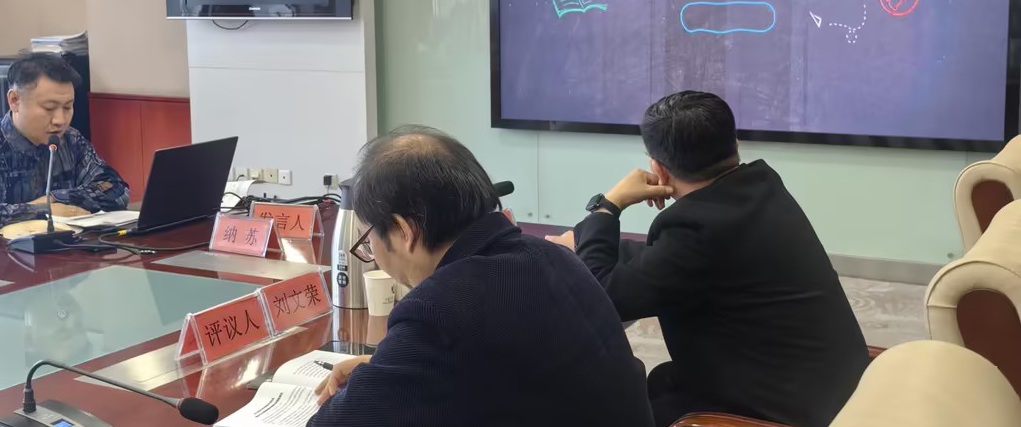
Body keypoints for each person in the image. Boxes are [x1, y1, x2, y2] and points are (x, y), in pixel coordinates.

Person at [547, 91, 868, 427]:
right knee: (659, 384)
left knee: (616, 402)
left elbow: (605, 298)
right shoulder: (760, 185)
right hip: (832, 386)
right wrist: (586, 242)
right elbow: (680, 261)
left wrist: (607, 206)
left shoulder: (695, 227)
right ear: (735, 143)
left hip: (782, 411)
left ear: (658, 168)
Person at [309, 126, 653, 427]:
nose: (371, 251)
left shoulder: (439, 310)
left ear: (403, 230)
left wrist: (384, 376)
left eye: (368, 239)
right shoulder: (551, 256)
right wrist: (389, 366)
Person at [0, 53, 129, 236]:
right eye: (49, 108)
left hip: (63, 250)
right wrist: (41, 210)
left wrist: (54, 199)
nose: (60, 120)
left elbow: (116, 189)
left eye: (67, 107)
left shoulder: (70, 139)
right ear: (14, 101)